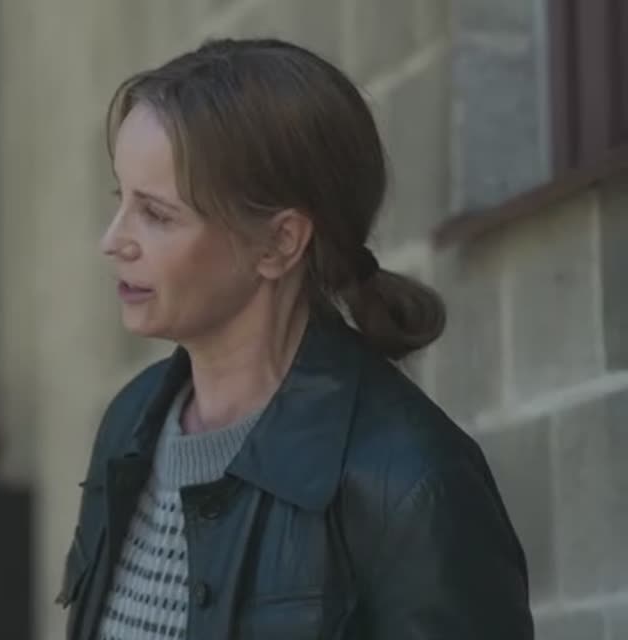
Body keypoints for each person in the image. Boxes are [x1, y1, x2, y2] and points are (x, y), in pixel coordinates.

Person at [55, 38, 533, 640]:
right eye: (120, 200)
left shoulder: (412, 480)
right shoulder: (129, 424)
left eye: (157, 214)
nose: (113, 240)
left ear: (280, 243)